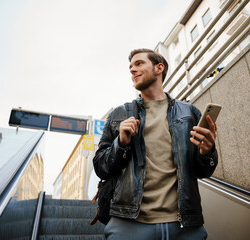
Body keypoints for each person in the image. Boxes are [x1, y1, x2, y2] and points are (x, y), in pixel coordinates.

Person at [93, 48, 218, 240]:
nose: (132, 70)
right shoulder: (120, 114)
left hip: (185, 226)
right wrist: (121, 143)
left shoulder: (189, 113)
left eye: (139, 63)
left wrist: (206, 152)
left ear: (159, 68)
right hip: (128, 224)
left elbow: (204, 171)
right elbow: (100, 167)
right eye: (130, 67)